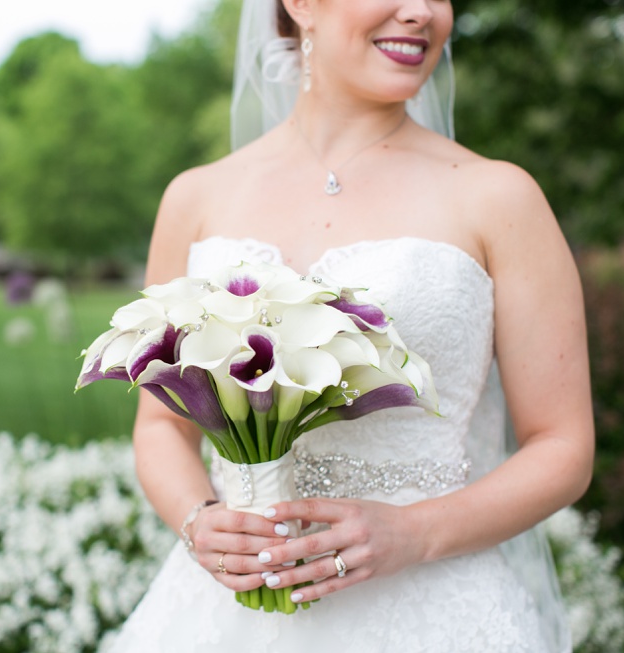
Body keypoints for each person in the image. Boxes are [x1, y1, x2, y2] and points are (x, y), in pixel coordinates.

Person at [106, 0, 594, 650]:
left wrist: (415, 531)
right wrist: (200, 521)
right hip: (226, 618)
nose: (422, 12)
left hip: (435, 611)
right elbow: (161, 423)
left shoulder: (498, 197)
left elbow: (562, 445)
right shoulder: (196, 198)